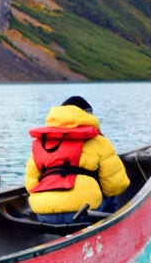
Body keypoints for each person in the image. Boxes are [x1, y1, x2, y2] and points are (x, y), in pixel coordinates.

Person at [24, 96, 130, 224]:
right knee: (111, 195)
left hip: (44, 213)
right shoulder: (99, 141)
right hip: (83, 213)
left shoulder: (41, 142)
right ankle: (108, 225)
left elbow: (31, 185)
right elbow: (115, 186)